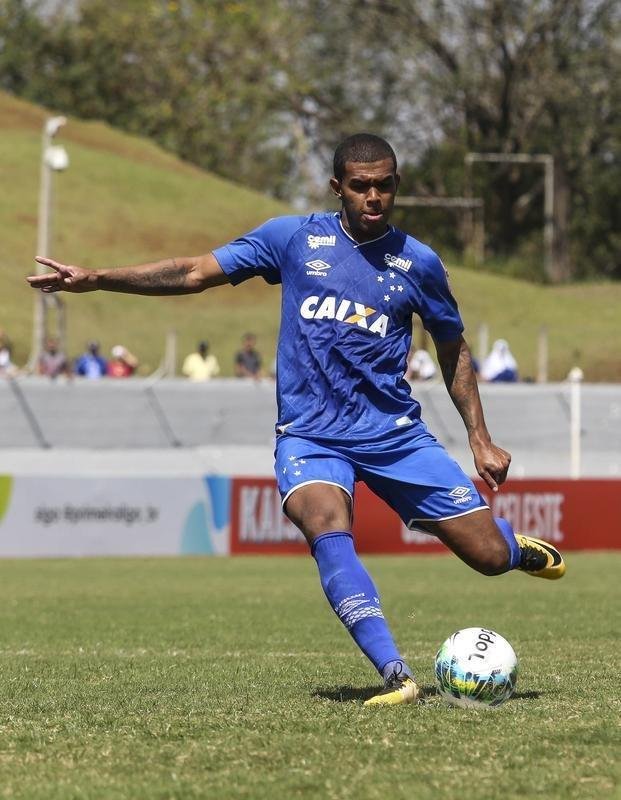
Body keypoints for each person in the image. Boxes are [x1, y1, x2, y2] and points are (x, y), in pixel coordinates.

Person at [27, 132, 565, 707]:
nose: (373, 197)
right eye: (360, 186)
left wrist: (480, 438)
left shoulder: (420, 263)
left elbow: (452, 348)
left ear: (397, 185)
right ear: (337, 188)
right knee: (325, 525)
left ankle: (511, 548)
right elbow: (193, 272)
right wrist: (97, 278)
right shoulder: (292, 238)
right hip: (310, 435)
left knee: (486, 558)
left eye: (384, 185)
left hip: (393, 433)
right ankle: (396, 675)